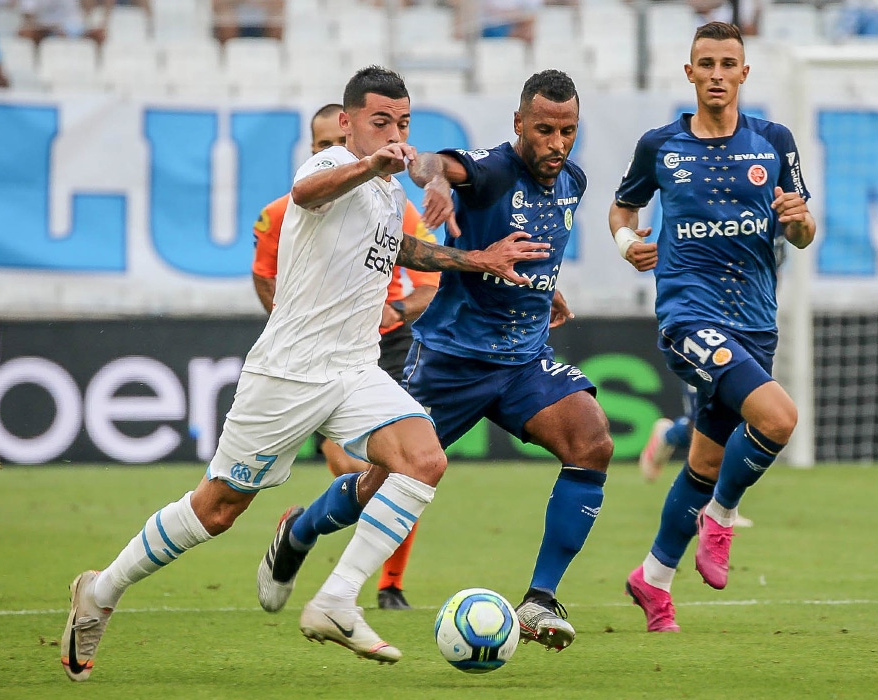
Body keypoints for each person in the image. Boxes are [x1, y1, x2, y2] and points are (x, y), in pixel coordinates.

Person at [59, 65, 551, 680]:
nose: (394, 136)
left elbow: (402, 250)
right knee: (217, 509)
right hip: (289, 373)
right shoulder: (326, 167)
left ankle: (337, 599)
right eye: (380, 123)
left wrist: (477, 260)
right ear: (347, 124)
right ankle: (100, 592)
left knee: (423, 459)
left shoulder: (384, 192)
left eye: (402, 124)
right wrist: (372, 163)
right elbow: (308, 196)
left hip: (353, 367)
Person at [258, 69, 614, 653]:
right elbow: (437, 163)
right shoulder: (492, 167)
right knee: (378, 485)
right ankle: (297, 531)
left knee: (592, 442)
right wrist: (439, 181)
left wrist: (543, 287)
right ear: (519, 125)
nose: (556, 143)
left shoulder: (571, 180)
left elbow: (528, 250)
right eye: (544, 130)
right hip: (452, 360)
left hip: (522, 360)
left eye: (567, 130)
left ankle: (540, 599)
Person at [608, 22, 815, 632]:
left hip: (755, 321)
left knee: (702, 462)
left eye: (730, 63)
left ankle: (653, 578)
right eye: (707, 63)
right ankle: (720, 520)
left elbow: (802, 234)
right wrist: (626, 242)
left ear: (744, 74)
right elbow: (624, 204)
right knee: (779, 418)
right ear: (690, 72)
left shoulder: (774, 142)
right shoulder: (661, 145)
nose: (718, 74)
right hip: (689, 316)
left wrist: (798, 219)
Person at [250, 102, 440, 611]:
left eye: (335, 145)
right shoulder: (281, 212)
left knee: (412, 461)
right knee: (348, 466)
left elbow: (428, 282)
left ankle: (389, 585)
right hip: (316, 352)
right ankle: (304, 533)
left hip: (390, 343)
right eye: (321, 147)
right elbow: (264, 276)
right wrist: (297, 317)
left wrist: (393, 308)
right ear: (313, 150)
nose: (330, 154)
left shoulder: (395, 203)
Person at [19, 0, 114, 45]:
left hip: (73, 28)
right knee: (25, 32)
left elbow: (87, 9)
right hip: (45, 29)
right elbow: (27, 16)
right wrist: (53, 28)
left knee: (100, 34)